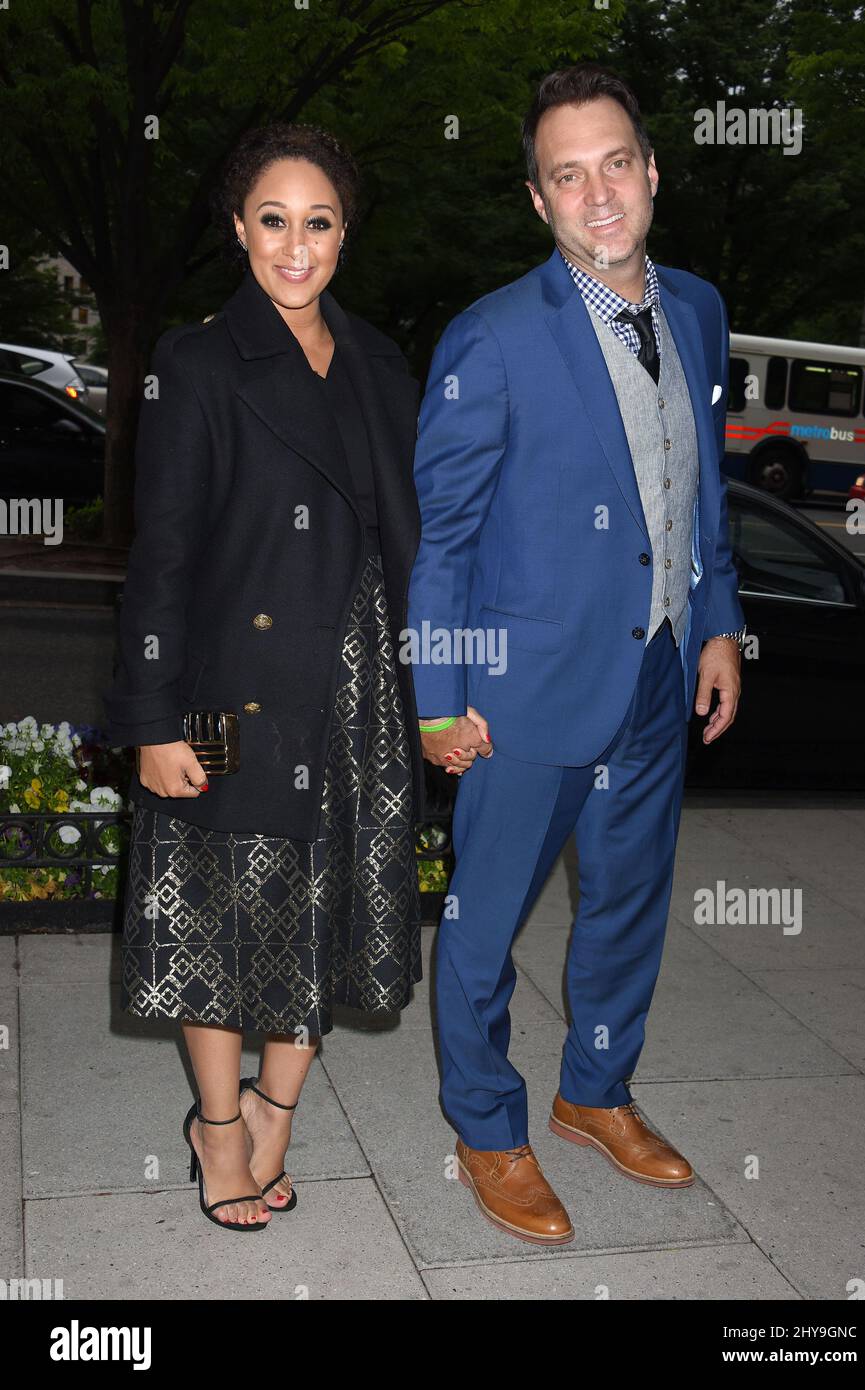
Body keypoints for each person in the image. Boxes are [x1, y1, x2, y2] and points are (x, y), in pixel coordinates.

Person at [407, 64, 744, 1245]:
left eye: (615, 163)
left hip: (655, 672)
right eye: (567, 174)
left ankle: (593, 1091)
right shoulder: (490, 337)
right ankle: (489, 1125)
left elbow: (702, 495)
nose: (597, 193)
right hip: (519, 695)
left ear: (650, 172)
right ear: (539, 201)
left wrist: (712, 625)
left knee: (628, 904)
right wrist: (438, 699)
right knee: (486, 922)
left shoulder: (697, 308)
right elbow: (440, 541)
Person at [104, 122, 425, 1232]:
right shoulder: (196, 363)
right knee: (220, 918)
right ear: (240, 228)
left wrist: (453, 687)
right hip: (229, 687)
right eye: (274, 220)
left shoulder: (381, 363)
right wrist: (150, 717)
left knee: (321, 914)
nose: (297, 245)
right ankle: (217, 1125)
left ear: (346, 232)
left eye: (320, 221)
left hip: (361, 693)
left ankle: (273, 1114)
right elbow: (164, 556)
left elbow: (419, 542)